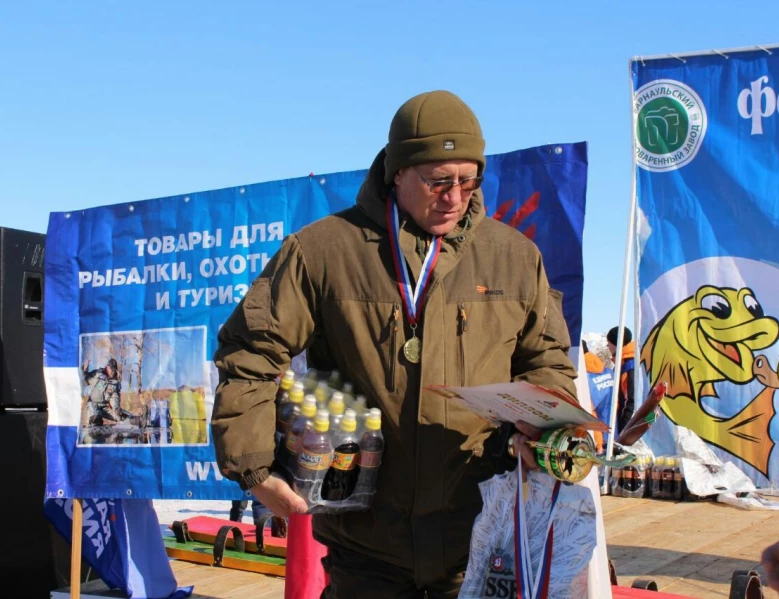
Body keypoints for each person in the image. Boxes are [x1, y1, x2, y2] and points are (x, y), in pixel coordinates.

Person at [211, 90, 577, 598]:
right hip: (366, 543)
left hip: (479, 533)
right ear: (397, 171)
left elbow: (546, 359)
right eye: (438, 181)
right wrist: (251, 467)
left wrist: (549, 434)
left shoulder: (513, 257)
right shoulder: (323, 251)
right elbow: (251, 350)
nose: (454, 197)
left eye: (468, 181)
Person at [583, 339, 615, 449]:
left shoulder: (583, 380)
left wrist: (598, 443)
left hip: (598, 440)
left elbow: (589, 412)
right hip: (617, 434)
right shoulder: (610, 373)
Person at [607, 326, 635, 435]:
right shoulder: (623, 362)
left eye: (609, 342)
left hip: (626, 426)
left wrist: (623, 432)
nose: (607, 345)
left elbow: (631, 402)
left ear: (616, 343)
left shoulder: (629, 366)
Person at [82, 358, 126, 426]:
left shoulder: (115, 383)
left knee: (119, 415)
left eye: (114, 370)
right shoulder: (97, 373)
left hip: (105, 406)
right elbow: (85, 379)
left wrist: (116, 408)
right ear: (107, 367)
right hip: (93, 403)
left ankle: (138, 420)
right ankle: (96, 423)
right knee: (95, 416)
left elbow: (115, 398)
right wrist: (84, 369)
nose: (112, 372)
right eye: (111, 369)